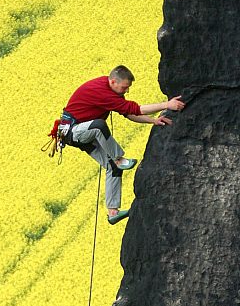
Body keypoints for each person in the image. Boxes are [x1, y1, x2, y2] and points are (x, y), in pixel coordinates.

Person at [59, 66, 185, 221]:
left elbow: (129, 113)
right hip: (73, 131)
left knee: (112, 167)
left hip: (85, 134)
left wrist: (153, 121)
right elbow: (135, 108)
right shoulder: (102, 91)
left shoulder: (111, 90)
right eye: (125, 87)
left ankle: (113, 212)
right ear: (113, 81)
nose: (126, 91)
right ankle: (119, 158)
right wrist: (166, 105)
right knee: (99, 126)